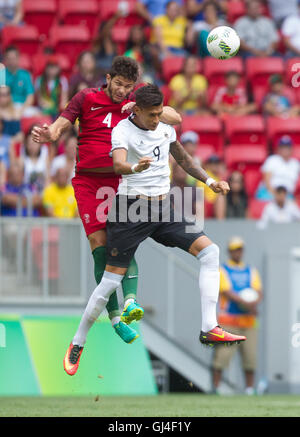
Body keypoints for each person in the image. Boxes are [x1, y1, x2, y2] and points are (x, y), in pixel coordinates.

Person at [63, 84, 246, 376]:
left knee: (210, 252)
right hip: (130, 211)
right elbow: (118, 163)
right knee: (110, 282)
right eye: (152, 115)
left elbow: (184, 160)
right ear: (136, 111)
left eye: (160, 113)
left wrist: (210, 182)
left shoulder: (164, 127)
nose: (157, 119)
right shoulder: (122, 130)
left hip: (163, 210)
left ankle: (209, 327)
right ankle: (78, 342)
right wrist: (135, 169)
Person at [32, 56, 181, 345]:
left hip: (122, 180)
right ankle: (114, 318)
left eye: (128, 86)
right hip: (89, 182)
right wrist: (49, 133)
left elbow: (175, 118)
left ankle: (129, 305)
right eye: (119, 84)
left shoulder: (136, 102)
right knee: (100, 247)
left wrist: (140, 107)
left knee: (122, 243)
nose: (122, 91)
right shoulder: (86, 98)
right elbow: (60, 126)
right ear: (108, 78)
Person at [212, 237, 262, 395]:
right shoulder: (223, 270)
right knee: (222, 355)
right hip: (229, 320)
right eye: (235, 249)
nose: (238, 252)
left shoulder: (251, 270)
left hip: (248, 321)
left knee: (250, 357)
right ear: (230, 251)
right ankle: (216, 387)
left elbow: (259, 291)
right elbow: (226, 291)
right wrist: (246, 303)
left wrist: (254, 303)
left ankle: (249, 389)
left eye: (240, 249)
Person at [256, 135, 300, 201]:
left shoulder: (296, 164)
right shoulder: (272, 160)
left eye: (287, 147)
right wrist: (277, 195)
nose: (285, 150)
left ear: (292, 149)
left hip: (288, 196)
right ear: (278, 149)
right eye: (283, 147)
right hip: (269, 193)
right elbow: (266, 180)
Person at [3, 46, 35, 114]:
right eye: (9, 58)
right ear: (5, 59)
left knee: (39, 115)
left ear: (18, 58)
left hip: (23, 107)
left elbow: (30, 96)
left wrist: (22, 110)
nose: (11, 61)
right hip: (5, 107)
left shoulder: (25, 75)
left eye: (14, 58)